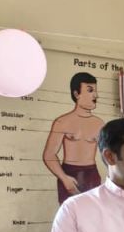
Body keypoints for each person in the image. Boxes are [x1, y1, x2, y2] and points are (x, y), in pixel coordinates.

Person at [43, 71, 105, 204]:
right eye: (90, 90)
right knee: (68, 214)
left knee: (93, 214)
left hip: (91, 174)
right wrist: (64, 178)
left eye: (95, 91)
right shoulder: (62, 121)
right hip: (68, 173)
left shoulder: (100, 124)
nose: (96, 95)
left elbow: (110, 155)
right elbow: (49, 154)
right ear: (77, 94)